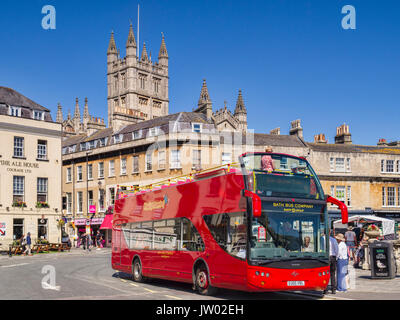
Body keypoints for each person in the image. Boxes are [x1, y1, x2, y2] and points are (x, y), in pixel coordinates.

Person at [324, 230, 339, 294]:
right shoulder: (333, 240)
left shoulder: (321, 239)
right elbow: (337, 249)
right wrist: (336, 257)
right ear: (330, 232)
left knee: (325, 274)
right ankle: (333, 289)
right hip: (332, 257)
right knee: (332, 274)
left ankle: (326, 289)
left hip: (325, 257)